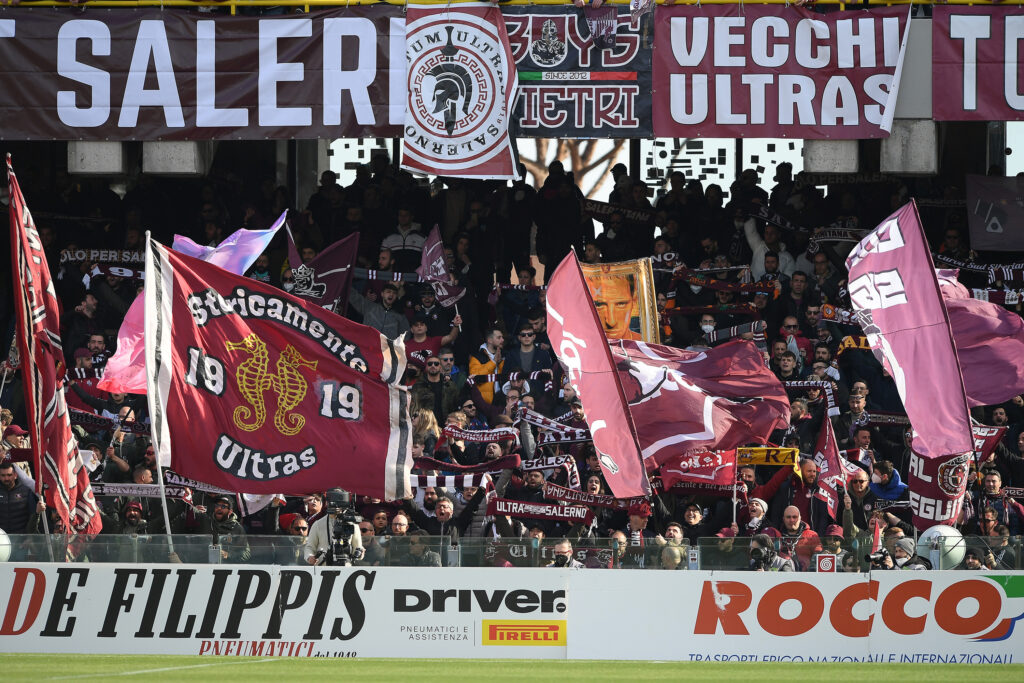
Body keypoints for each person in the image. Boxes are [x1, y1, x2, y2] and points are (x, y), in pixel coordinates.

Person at [304, 490, 365, 566]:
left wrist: (360, 553)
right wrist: (310, 557)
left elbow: (358, 547)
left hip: (346, 568)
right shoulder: (318, 524)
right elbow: (309, 547)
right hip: (323, 568)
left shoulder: (352, 524)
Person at [591, 274, 641, 340]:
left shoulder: (643, 344)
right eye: (599, 305)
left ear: (634, 302)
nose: (611, 322)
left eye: (621, 304)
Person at [0, 460, 40, 534]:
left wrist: (29, 538)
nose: (6, 479)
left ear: (15, 475)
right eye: (3, 475)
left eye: (9, 475)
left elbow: (32, 515)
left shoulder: (26, 491)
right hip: (2, 539)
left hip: (21, 539)